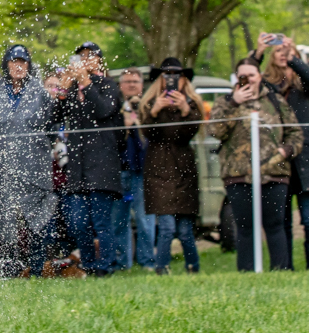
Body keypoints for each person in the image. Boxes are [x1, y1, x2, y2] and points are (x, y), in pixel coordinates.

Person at [209, 58, 304, 271]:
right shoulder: (225, 102)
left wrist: (284, 151)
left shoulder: (276, 101)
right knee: (245, 227)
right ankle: (247, 272)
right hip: (238, 174)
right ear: (236, 78)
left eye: (251, 75)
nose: (248, 80)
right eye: (243, 76)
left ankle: (280, 271)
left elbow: (295, 133)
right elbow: (215, 131)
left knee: (274, 224)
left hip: (274, 172)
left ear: (259, 76)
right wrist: (234, 103)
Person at [0, 45, 59, 277]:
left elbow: (52, 130)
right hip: (1, 169)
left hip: (34, 168)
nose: (19, 65)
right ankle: (10, 269)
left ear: (29, 66)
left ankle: (39, 267)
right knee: (4, 222)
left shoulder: (41, 94)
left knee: (39, 221)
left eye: (23, 61)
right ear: (7, 65)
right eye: (14, 61)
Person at [55, 42, 124, 276]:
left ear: (99, 62)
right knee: (78, 223)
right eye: (80, 57)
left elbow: (104, 110)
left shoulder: (109, 87)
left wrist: (86, 82)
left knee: (101, 222)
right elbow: (53, 118)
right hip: (78, 168)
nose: (84, 60)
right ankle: (89, 266)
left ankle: (105, 268)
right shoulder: (72, 90)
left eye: (90, 56)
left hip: (102, 166)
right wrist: (62, 92)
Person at [250, 33, 309, 269]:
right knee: (280, 219)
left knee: (308, 218)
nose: (283, 55)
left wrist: (294, 56)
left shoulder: (303, 85)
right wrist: (258, 51)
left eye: (287, 52)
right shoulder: (267, 87)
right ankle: (284, 267)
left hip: (305, 159)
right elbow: (246, 77)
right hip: (276, 158)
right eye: (279, 52)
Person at [140, 58, 204, 274]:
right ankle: (161, 268)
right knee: (166, 226)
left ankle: (193, 267)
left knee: (185, 229)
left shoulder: (192, 104)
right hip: (158, 171)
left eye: (176, 75)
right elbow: (148, 134)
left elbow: (189, 134)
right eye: (167, 75)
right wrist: (155, 111)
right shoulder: (149, 103)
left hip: (184, 170)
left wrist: (185, 110)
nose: (172, 79)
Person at [114, 68, 156, 271]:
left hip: (143, 169)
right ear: (120, 85)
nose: (131, 85)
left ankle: (147, 261)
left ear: (142, 85)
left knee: (145, 219)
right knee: (119, 221)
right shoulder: (114, 107)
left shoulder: (150, 107)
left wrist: (138, 123)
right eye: (127, 81)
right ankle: (123, 263)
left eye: (135, 81)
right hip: (120, 169)